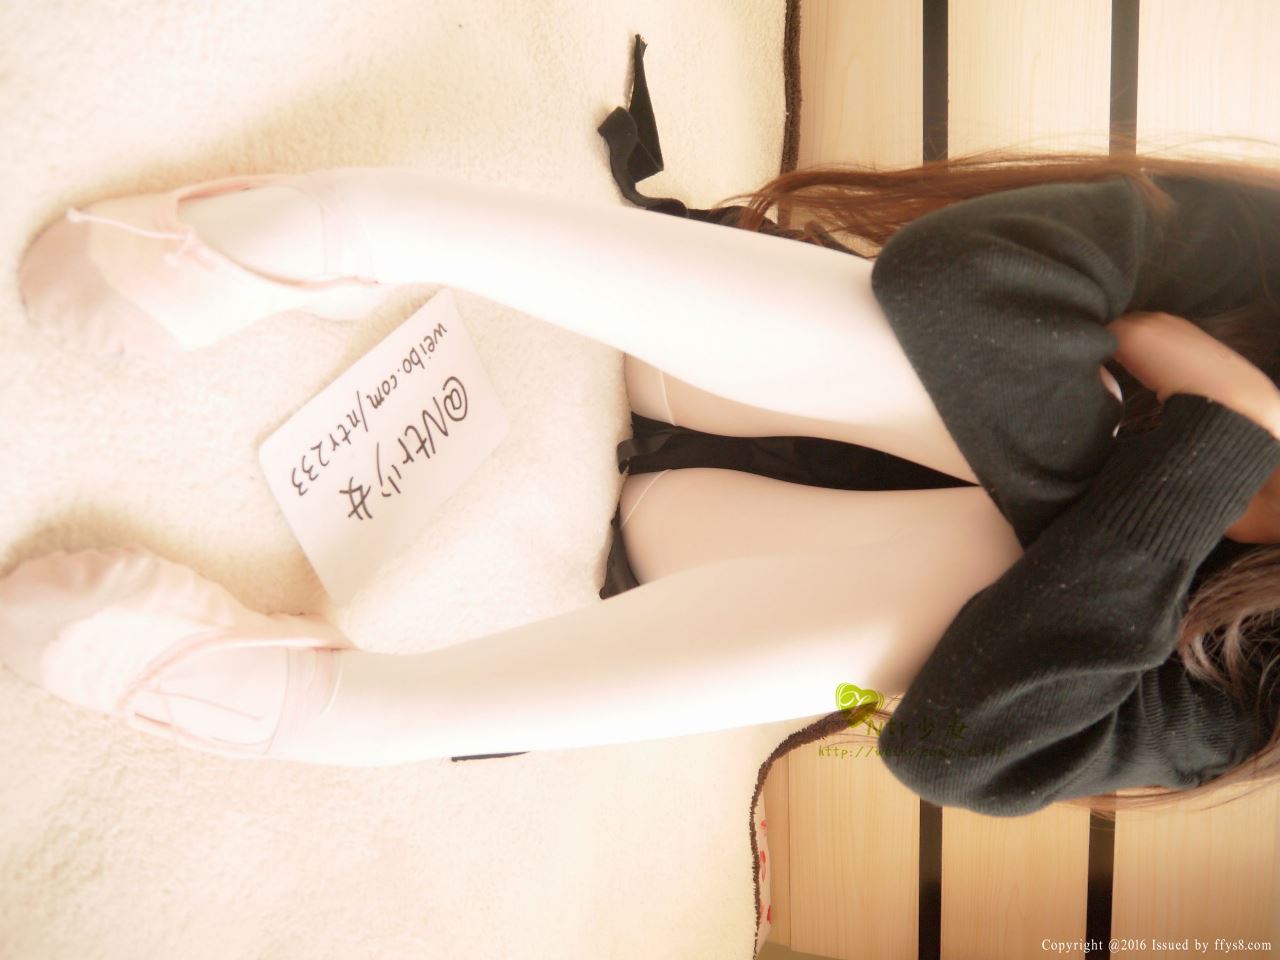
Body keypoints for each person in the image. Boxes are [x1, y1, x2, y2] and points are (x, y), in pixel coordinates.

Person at [4, 134, 1280, 823]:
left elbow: (951, 751)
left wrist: (1202, 456)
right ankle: (359, 225)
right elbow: (952, 288)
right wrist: (1205, 431)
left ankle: (357, 720)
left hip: (726, 564)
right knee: (1069, 520)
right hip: (705, 359)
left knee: (1001, 618)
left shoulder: (1263, 679)